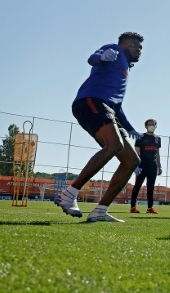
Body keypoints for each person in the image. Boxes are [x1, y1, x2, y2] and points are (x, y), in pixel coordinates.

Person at [55, 32, 144, 222]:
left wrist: (130, 129)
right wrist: (102, 57)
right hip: (90, 101)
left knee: (132, 160)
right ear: (124, 45)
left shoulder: (125, 68)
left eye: (141, 47)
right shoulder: (114, 50)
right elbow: (92, 58)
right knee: (114, 145)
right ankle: (69, 193)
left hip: (106, 108)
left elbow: (117, 107)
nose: (139, 49)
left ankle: (100, 210)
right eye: (134, 45)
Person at [130, 119, 163, 214]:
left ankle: (150, 208)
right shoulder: (141, 137)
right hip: (142, 165)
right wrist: (135, 166)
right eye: (150, 124)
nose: (152, 126)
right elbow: (136, 152)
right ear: (146, 126)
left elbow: (158, 153)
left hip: (153, 166)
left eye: (153, 124)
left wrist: (159, 166)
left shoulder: (158, 138)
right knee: (137, 185)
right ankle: (133, 207)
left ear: (156, 126)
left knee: (151, 187)